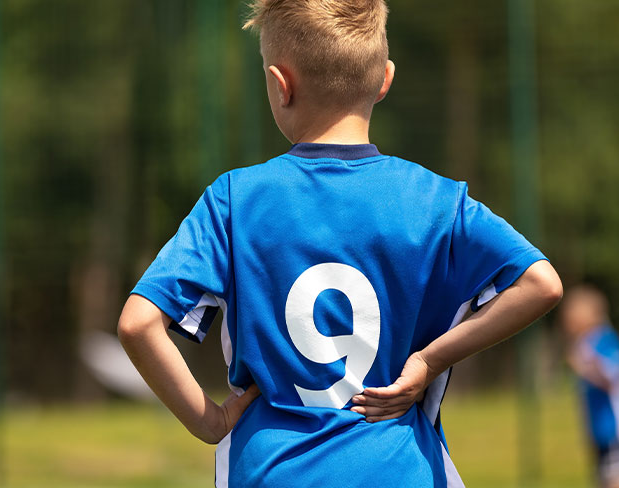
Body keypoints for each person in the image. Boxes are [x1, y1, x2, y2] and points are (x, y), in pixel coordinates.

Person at [117, 1, 563, 486]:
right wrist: (429, 360)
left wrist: (210, 422)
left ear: (279, 84)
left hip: (269, 471)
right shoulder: (436, 200)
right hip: (399, 470)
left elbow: (139, 324)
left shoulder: (233, 199)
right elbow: (540, 284)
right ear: (385, 78)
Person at [560, 285, 619, 488]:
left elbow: (614, 379)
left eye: (572, 311)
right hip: (598, 430)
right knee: (603, 479)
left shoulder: (605, 339)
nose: (565, 316)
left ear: (593, 314)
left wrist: (585, 368)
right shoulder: (584, 343)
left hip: (616, 429)